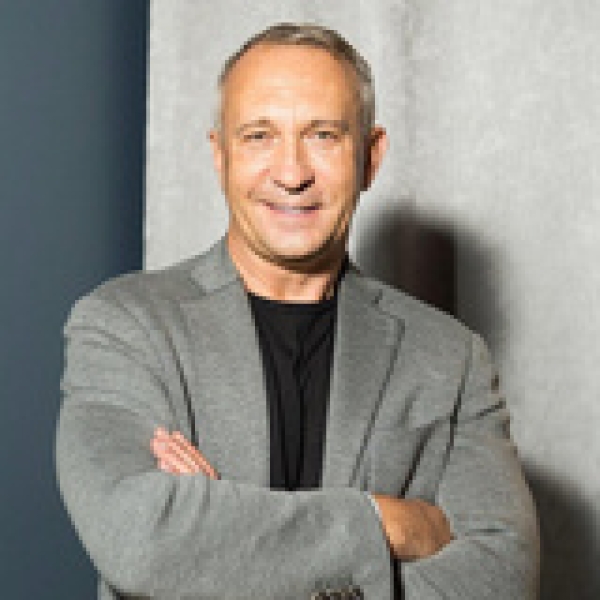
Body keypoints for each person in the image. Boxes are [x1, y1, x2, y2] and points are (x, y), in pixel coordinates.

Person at [56, 23, 539, 599]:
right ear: (220, 155)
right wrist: (386, 523)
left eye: (323, 136)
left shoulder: (451, 358)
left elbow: (501, 577)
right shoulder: (124, 325)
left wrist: (215, 530)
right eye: (259, 136)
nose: (291, 174)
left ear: (370, 157)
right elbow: (138, 539)